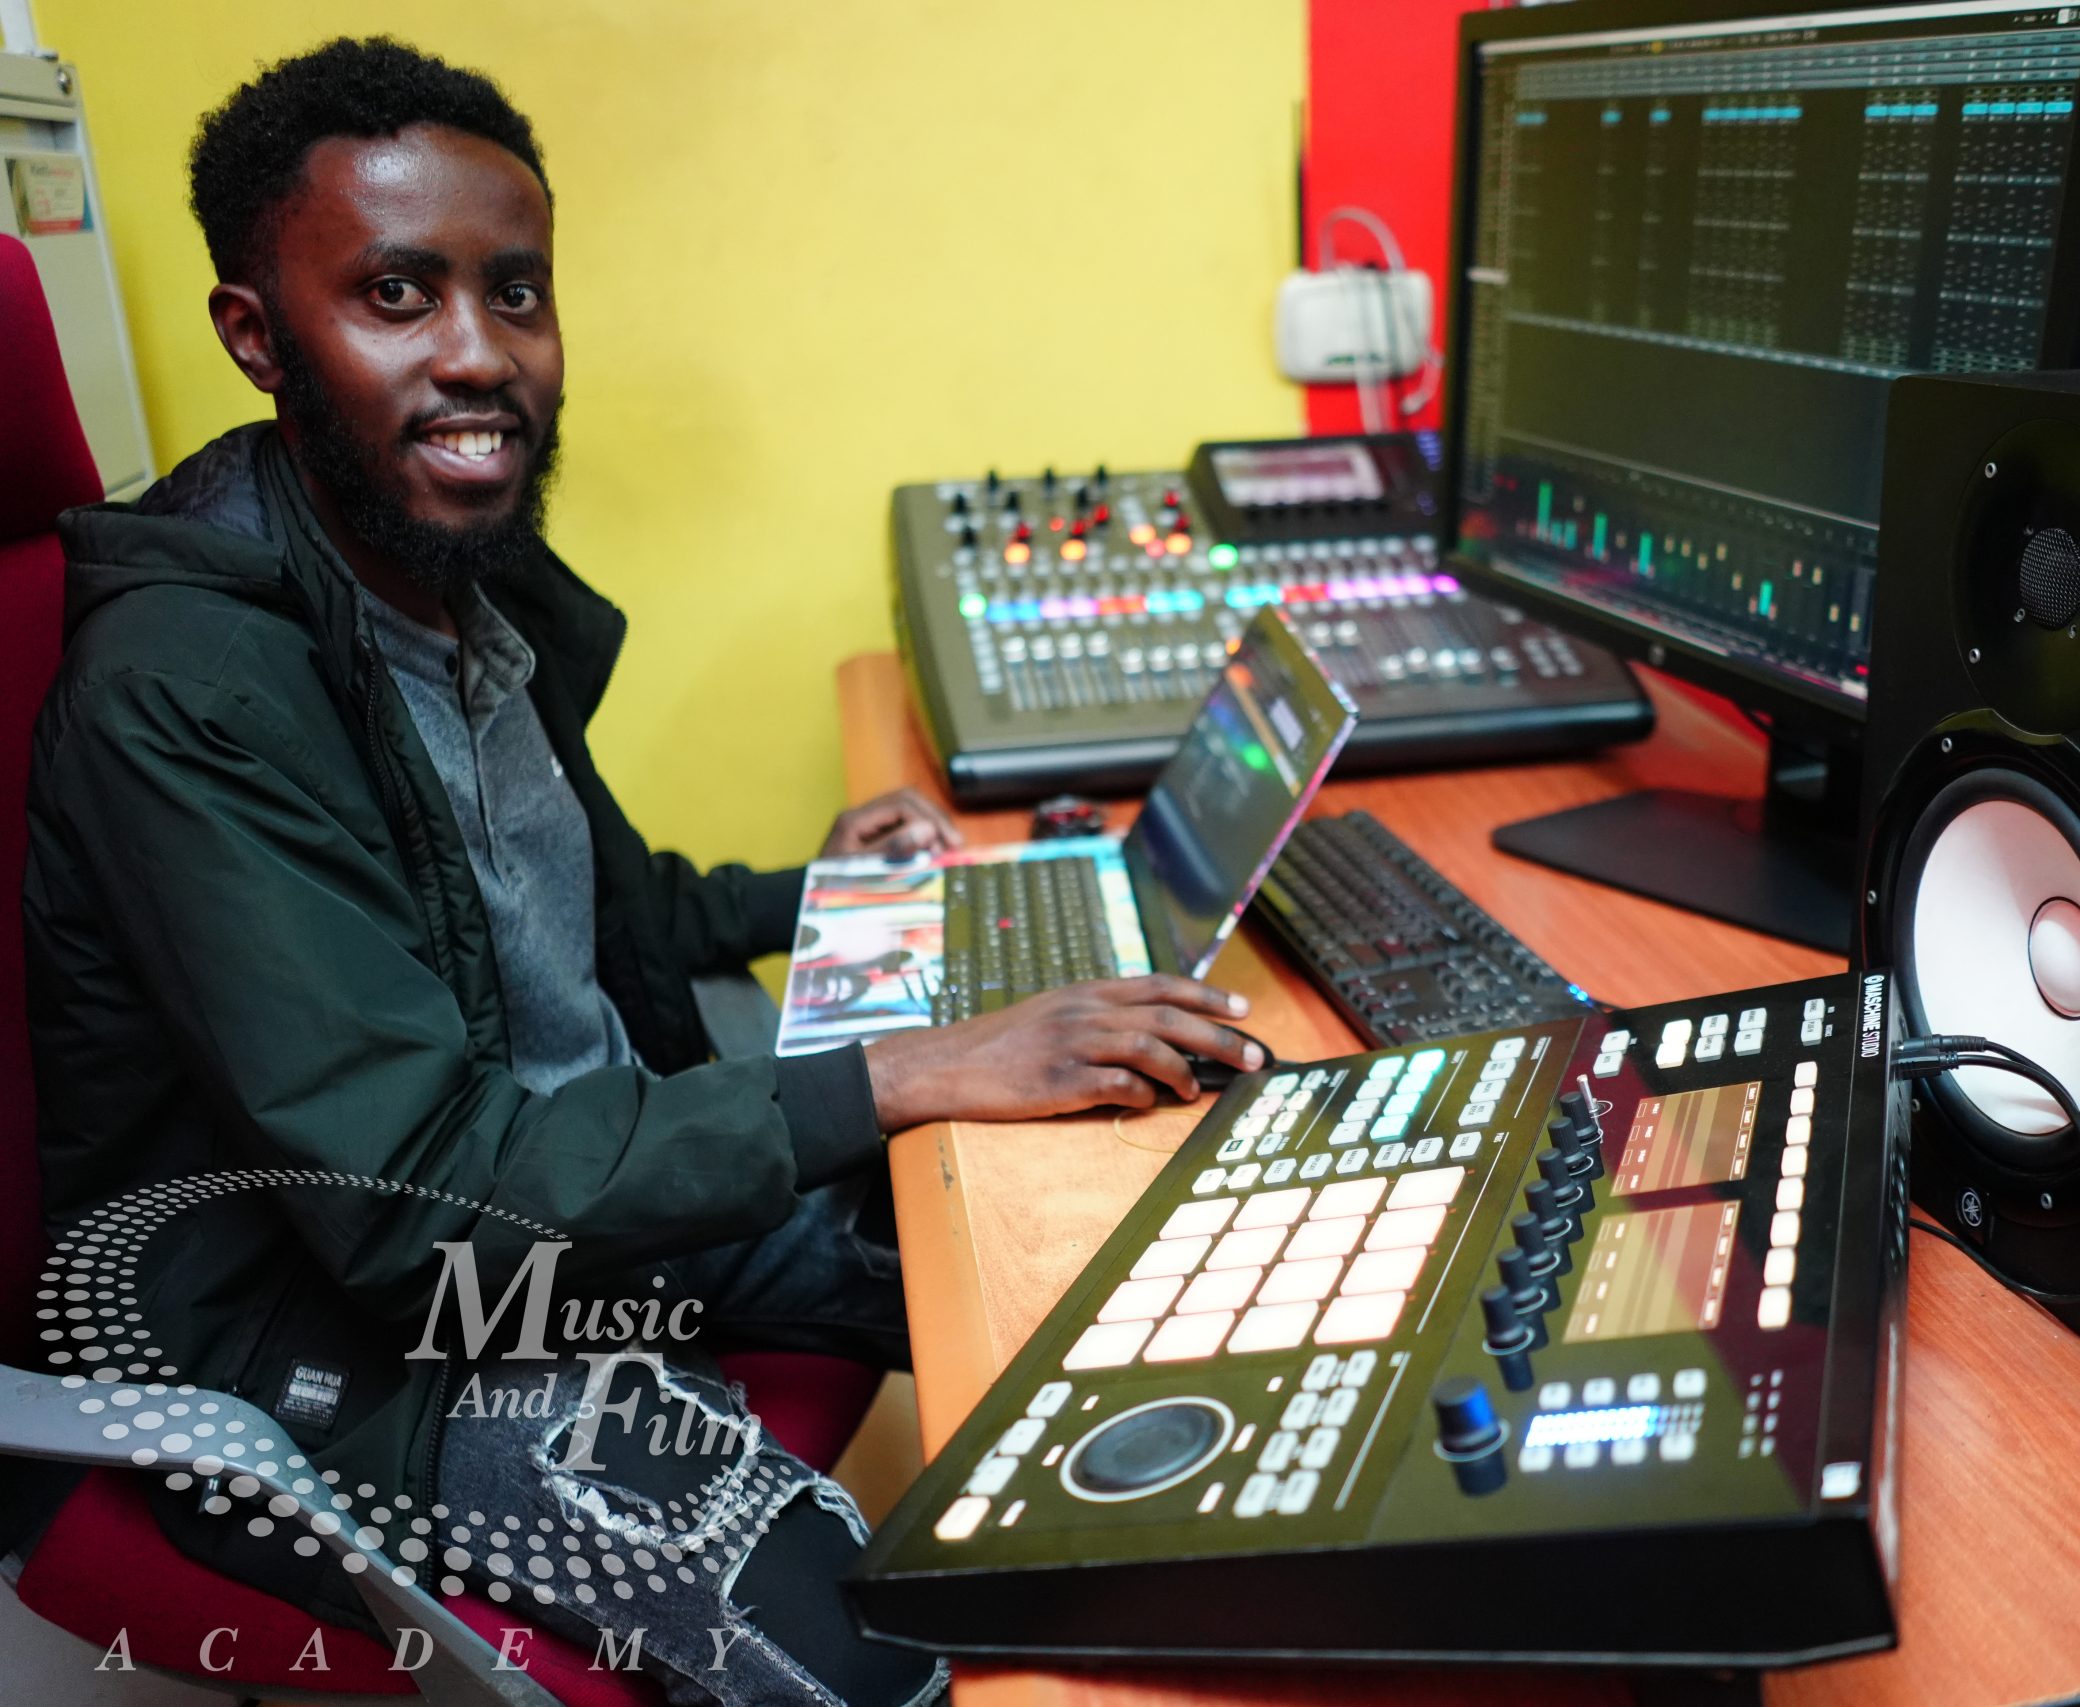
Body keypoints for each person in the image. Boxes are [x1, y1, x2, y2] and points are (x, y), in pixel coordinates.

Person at [21, 35, 1260, 1705]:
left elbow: (592, 917)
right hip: (364, 1321)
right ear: (257, 335)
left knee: (1115, 1271)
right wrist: (905, 1069)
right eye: (397, 295)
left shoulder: (454, 566)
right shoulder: (184, 693)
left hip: (586, 1192)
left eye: (515, 291)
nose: (480, 354)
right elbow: (415, 1201)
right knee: (879, 1660)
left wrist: (810, 893)